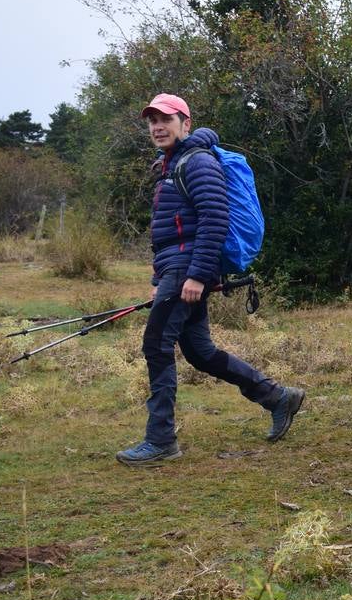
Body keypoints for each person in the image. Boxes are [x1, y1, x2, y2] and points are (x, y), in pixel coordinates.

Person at [117, 94, 304, 467]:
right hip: (177, 270)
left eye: (166, 119)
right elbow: (170, 231)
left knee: (156, 345)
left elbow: (214, 219)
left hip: (189, 271)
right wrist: (159, 277)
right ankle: (277, 397)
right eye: (152, 120)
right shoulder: (169, 165)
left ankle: (160, 439)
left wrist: (198, 275)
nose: (157, 126)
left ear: (185, 124)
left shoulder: (197, 162)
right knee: (200, 351)